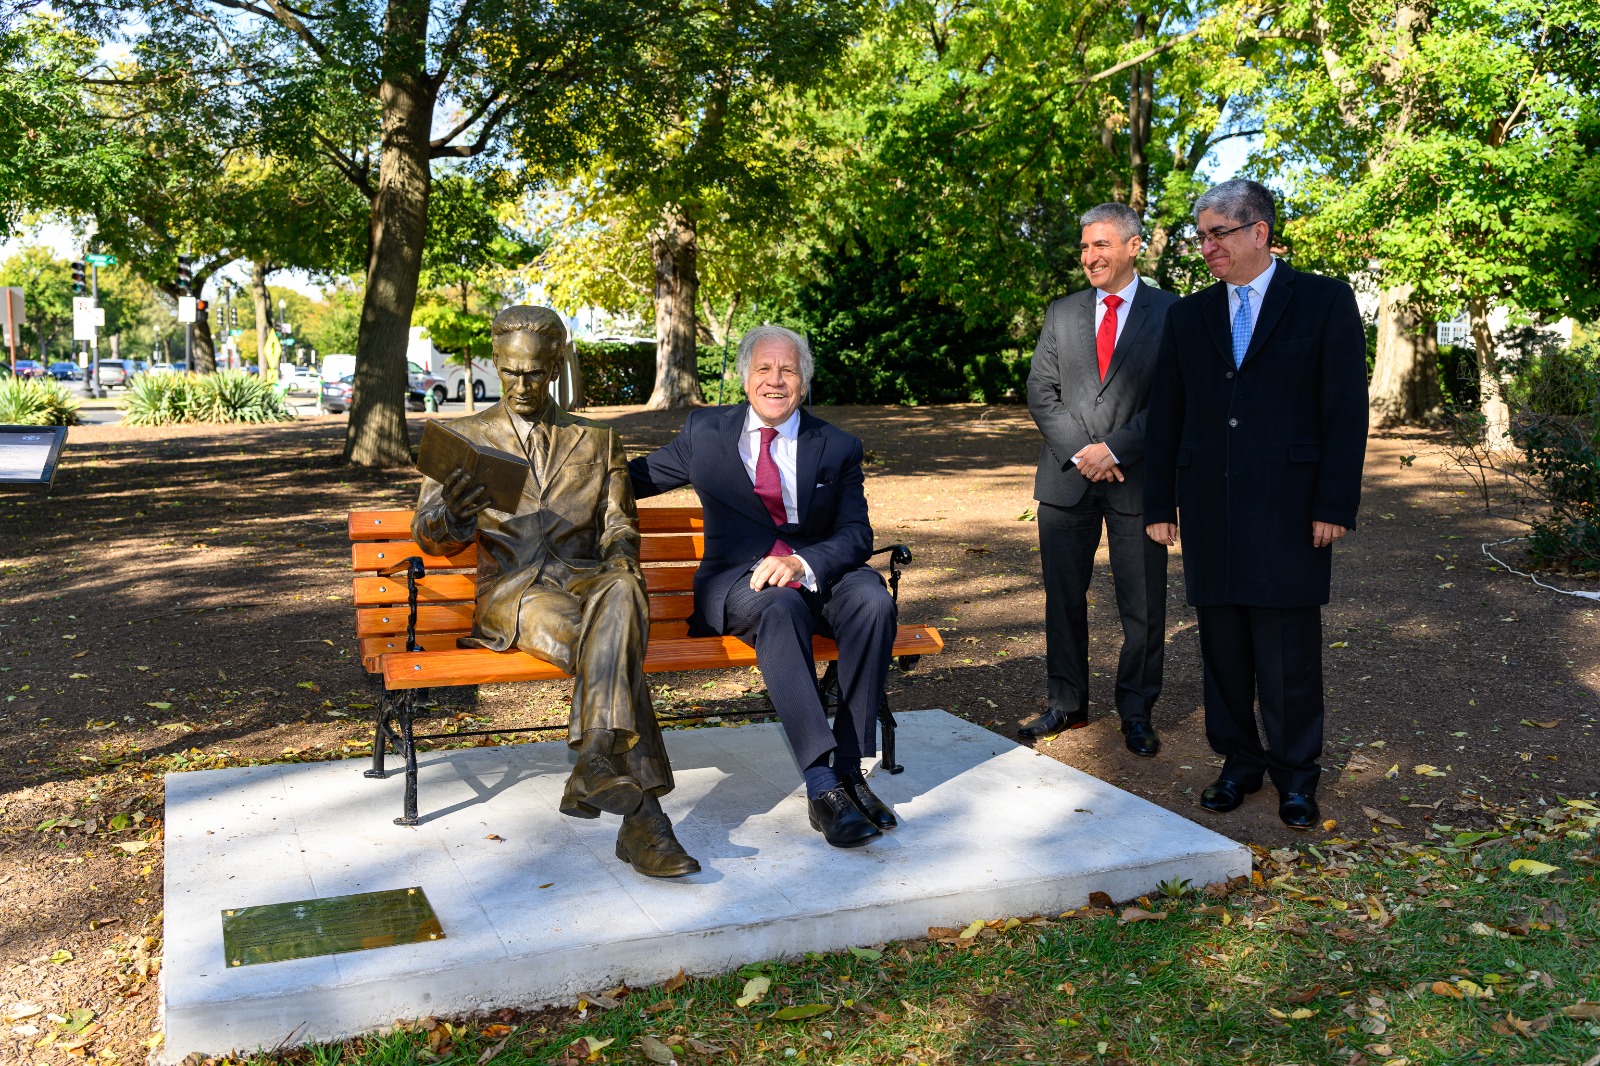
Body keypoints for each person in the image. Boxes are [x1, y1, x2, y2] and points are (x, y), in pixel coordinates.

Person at [413, 305, 699, 878]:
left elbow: (619, 526)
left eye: (536, 373)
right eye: (512, 372)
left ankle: (595, 760)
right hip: (516, 593)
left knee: (621, 590)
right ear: (497, 363)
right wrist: (453, 513)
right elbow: (429, 535)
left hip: (584, 578)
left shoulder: (597, 440)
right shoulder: (463, 438)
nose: (522, 385)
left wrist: (624, 566)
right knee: (615, 651)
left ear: (556, 365)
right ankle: (643, 820)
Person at [1143, 179, 1368, 829]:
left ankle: (1297, 776)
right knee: (1224, 648)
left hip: (1292, 508)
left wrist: (1334, 502)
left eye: (1218, 233)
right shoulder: (1189, 315)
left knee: (1286, 652)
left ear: (1259, 233)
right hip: (1210, 508)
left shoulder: (1323, 301)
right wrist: (1161, 503)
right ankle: (1238, 762)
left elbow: (1345, 412)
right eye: (1202, 235)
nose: (1206, 246)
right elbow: (1168, 418)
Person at [629, 326, 898, 849]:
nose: (775, 381)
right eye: (764, 369)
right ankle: (823, 788)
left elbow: (856, 533)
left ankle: (848, 771)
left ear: (804, 381)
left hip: (814, 573)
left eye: (788, 370)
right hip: (737, 582)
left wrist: (801, 562)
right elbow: (632, 478)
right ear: (745, 376)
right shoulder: (706, 433)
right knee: (779, 608)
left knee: (872, 601)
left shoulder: (836, 446)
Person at [1020, 203, 1178, 757]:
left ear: (1134, 247)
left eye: (1102, 245)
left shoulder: (1171, 313)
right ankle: (1066, 702)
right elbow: (1041, 391)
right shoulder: (1061, 313)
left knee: (1143, 605)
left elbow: (1172, 403)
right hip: (1066, 482)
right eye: (1085, 247)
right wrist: (1085, 454)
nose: (1090, 256)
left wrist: (1113, 449)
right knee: (1063, 598)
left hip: (1137, 482)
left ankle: (1136, 710)